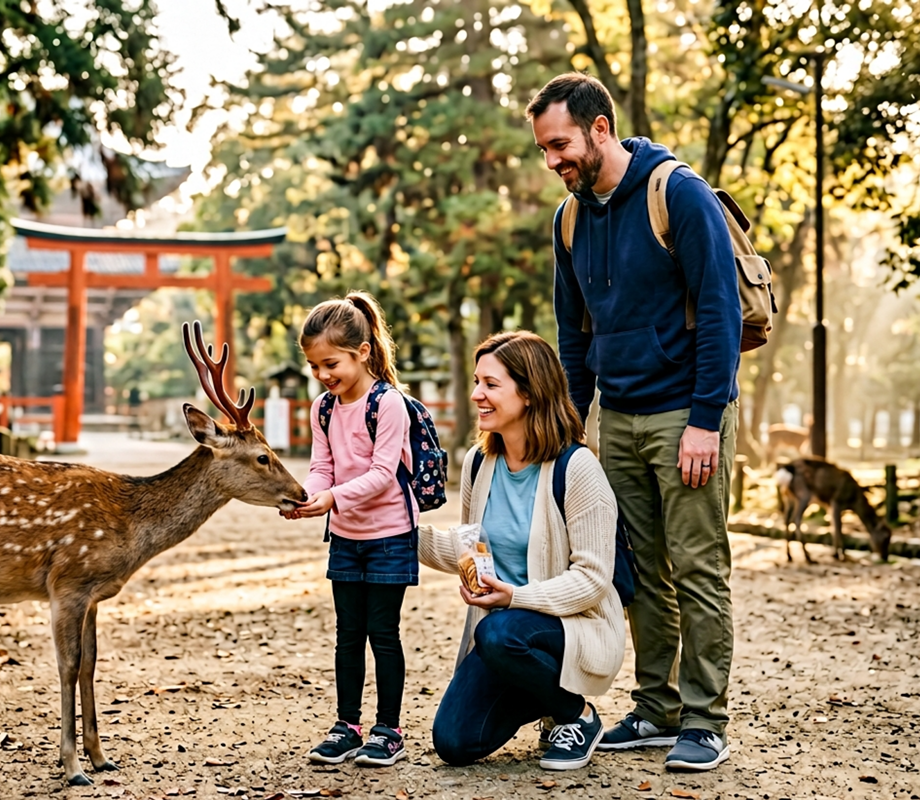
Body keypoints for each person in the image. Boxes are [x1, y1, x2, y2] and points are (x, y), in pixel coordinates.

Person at [526, 72, 742, 772]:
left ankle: (705, 720)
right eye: (544, 150)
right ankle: (657, 708)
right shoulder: (568, 219)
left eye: (560, 144)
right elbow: (572, 330)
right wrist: (571, 423)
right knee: (639, 570)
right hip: (617, 416)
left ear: (597, 128)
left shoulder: (676, 192)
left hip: (687, 412)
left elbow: (719, 310)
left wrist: (706, 419)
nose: (553, 160)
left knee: (697, 565)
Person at [421, 330, 624, 771]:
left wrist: (514, 597)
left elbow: (593, 580)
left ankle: (576, 715)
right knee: (454, 742)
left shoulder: (577, 467)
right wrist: (398, 534)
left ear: (530, 393)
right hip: (507, 637)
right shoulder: (480, 462)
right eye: (477, 382)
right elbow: (468, 546)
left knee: (499, 632)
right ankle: (542, 696)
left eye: (491, 385)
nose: (477, 394)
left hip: (570, 627)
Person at [281, 291, 416, 767]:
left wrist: (332, 497)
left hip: (389, 535)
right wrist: (309, 495)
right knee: (347, 633)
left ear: (362, 352)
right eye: (315, 366)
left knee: (383, 633)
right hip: (346, 536)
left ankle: (389, 729)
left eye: (331, 363)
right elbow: (323, 465)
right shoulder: (324, 407)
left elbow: (383, 473)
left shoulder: (388, 403)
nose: (323, 375)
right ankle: (347, 725)